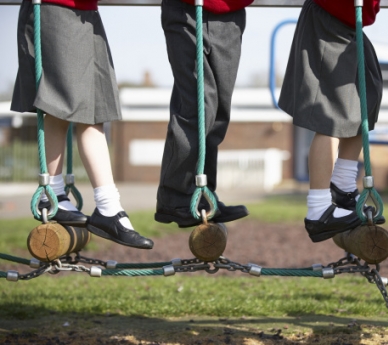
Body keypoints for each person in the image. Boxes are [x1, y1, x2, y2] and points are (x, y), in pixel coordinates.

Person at [11, 0, 154, 250]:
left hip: (87, 12)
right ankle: (51, 194)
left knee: (95, 111)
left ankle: (108, 207)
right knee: (59, 105)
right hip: (57, 7)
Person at [278, 0, 384, 243]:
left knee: (367, 94)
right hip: (330, 15)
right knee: (330, 113)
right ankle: (318, 209)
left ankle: (343, 183)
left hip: (351, 21)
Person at [155, 0, 253, 227]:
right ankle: (175, 196)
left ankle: (204, 193)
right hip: (188, 9)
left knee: (219, 111)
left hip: (232, 13)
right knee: (199, 105)